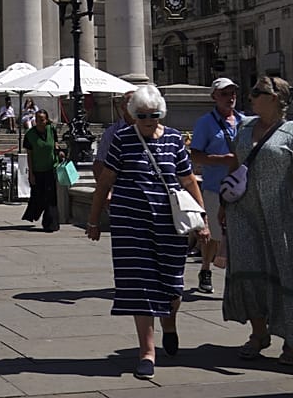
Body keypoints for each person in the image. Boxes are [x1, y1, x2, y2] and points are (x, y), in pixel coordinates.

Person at [85, 84, 210, 380]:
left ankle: (169, 323)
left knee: (172, 284)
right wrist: (93, 220)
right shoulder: (122, 139)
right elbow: (104, 181)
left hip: (170, 223)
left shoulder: (174, 140)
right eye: (141, 115)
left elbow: (189, 179)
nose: (148, 120)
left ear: (161, 113)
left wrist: (202, 220)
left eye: (153, 115)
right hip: (131, 223)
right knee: (140, 286)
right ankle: (147, 352)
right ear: (132, 114)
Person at [222, 75, 293, 366]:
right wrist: (227, 200)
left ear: (275, 98)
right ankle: (259, 334)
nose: (250, 97)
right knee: (249, 271)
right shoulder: (245, 126)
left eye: (256, 92)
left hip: (282, 212)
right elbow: (236, 163)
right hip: (245, 212)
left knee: (289, 272)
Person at [190, 77, 251, 294]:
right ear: (214, 97)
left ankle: (235, 278)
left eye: (233, 93)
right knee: (215, 234)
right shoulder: (205, 123)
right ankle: (206, 269)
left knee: (239, 234)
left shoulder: (245, 122)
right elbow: (195, 155)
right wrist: (220, 159)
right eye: (225, 94)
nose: (230, 98)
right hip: (216, 187)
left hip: (243, 188)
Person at [21, 110, 61, 232]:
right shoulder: (30, 135)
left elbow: (55, 144)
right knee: (38, 196)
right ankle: (33, 215)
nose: (39, 122)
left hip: (51, 168)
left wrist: (59, 151)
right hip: (38, 170)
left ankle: (51, 224)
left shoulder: (52, 130)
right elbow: (29, 155)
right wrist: (31, 174)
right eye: (37, 120)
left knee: (51, 198)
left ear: (47, 120)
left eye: (42, 120)